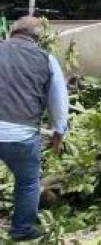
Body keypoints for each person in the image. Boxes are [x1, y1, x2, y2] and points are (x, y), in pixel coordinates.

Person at [0, 17, 68, 242]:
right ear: (38, 39)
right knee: (28, 182)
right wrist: (59, 132)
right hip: (21, 133)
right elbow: (58, 102)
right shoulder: (46, 60)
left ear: (12, 31)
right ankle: (22, 230)